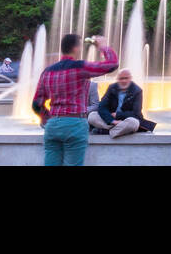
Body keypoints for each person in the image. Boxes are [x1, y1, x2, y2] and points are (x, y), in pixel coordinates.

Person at [32, 33, 118, 166]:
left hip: (52, 125)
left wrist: (49, 119)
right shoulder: (80, 67)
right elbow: (112, 64)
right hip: (75, 123)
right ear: (76, 48)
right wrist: (103, 47)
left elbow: (36, 104)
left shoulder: (47, 72)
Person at [89, 69, 155, 138]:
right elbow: (102, 107)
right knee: (92, 116)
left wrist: (118, 115)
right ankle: (118, 130)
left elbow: (136, 113)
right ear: (117, 79)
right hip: (111, 121)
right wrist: (112, 121)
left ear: (130, 78)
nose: (124, 81)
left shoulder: (137, 91)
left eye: (126, 78)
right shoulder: (112, 88)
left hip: (126, 120)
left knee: (134, 123)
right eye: (121, 78)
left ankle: (107, 131)